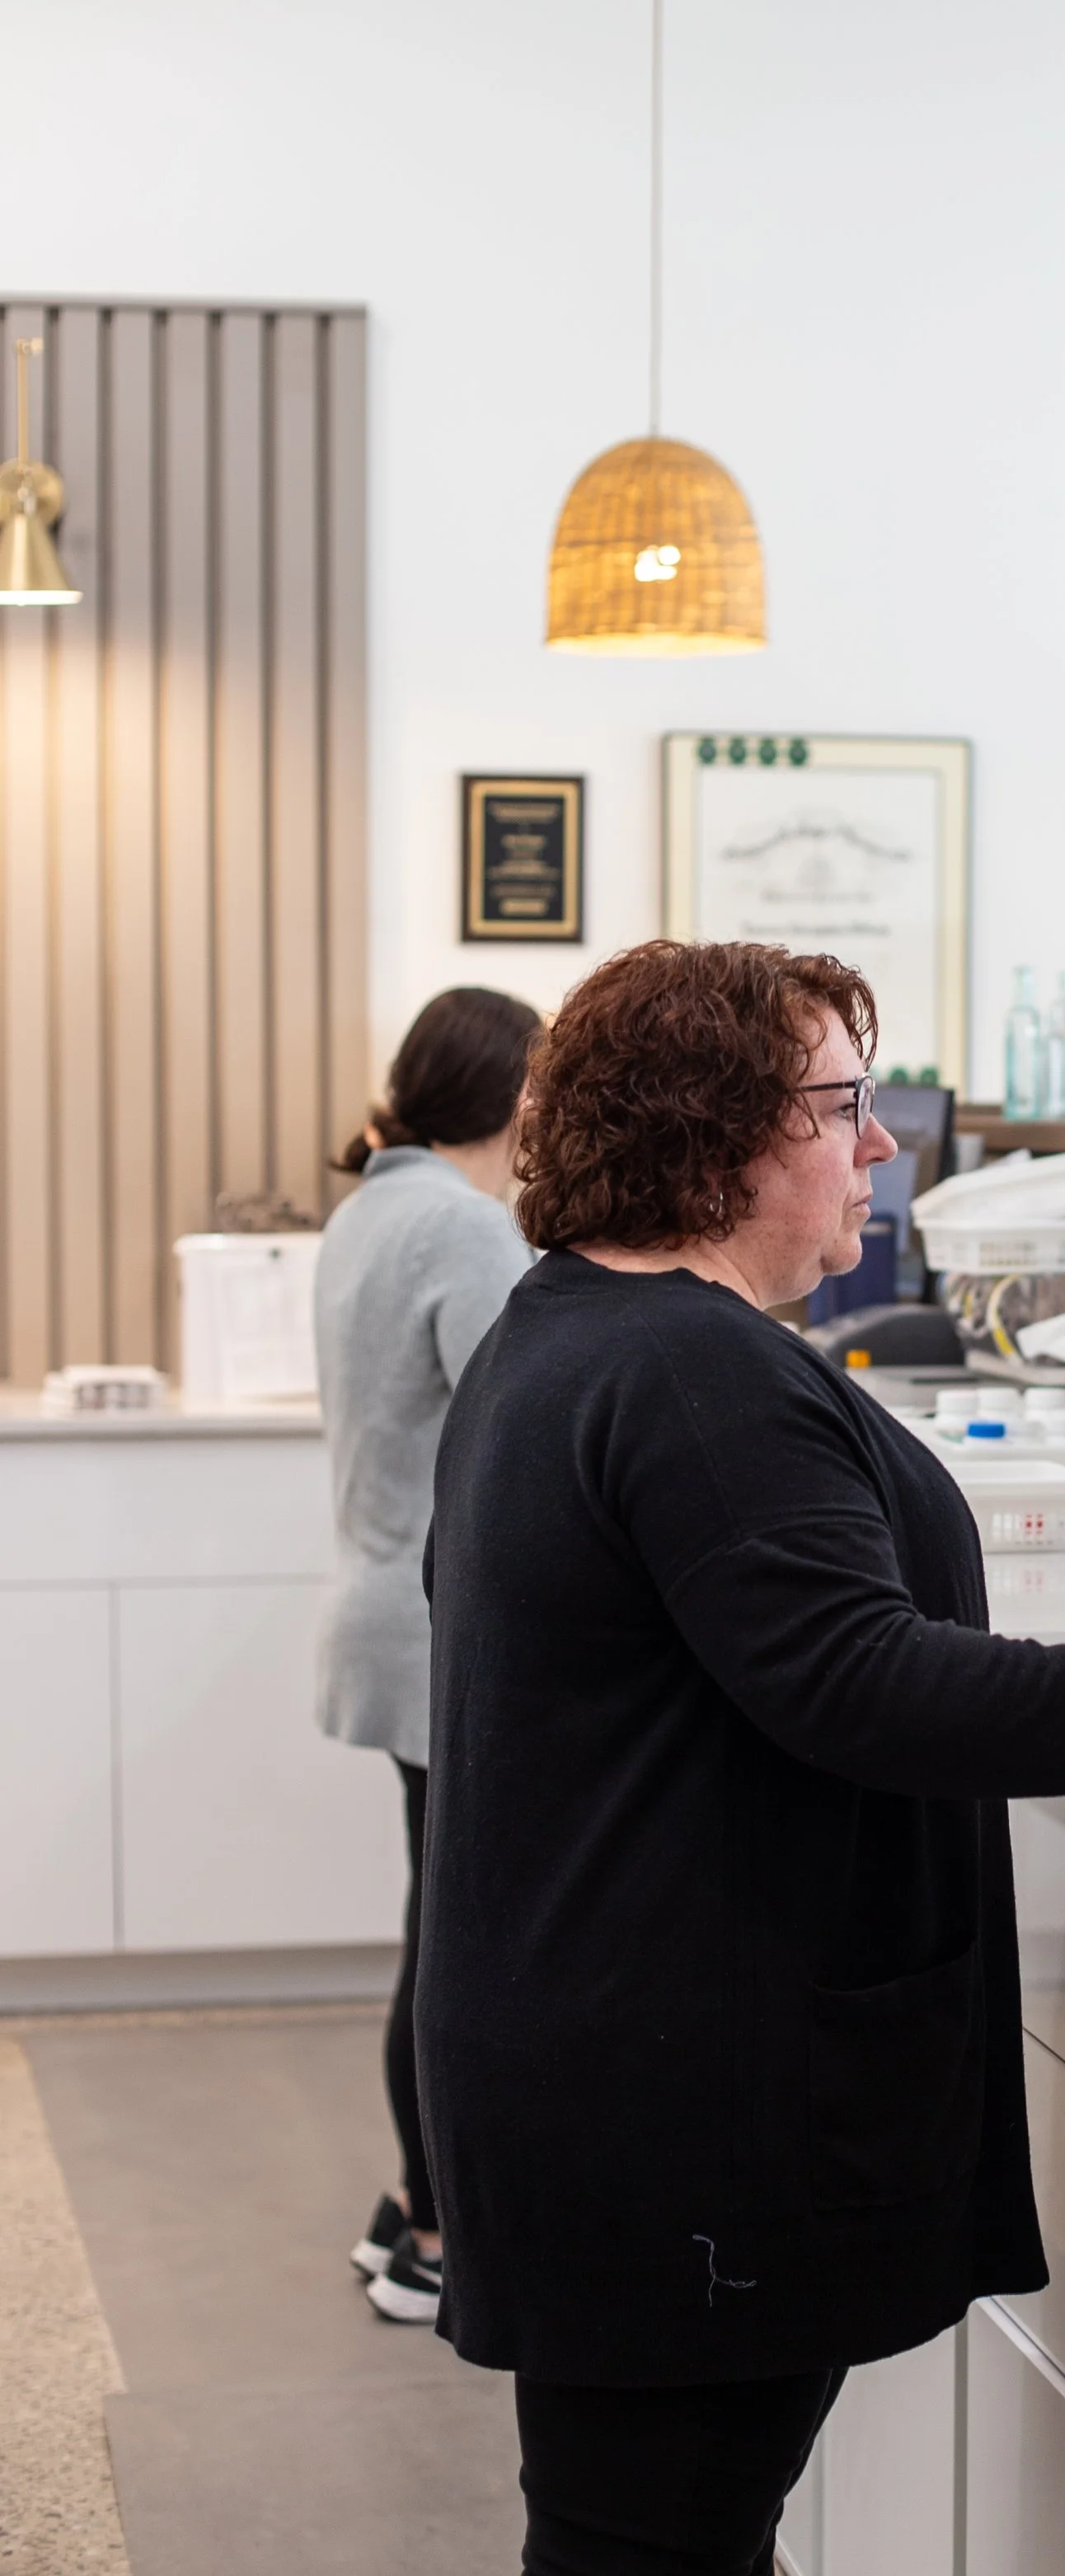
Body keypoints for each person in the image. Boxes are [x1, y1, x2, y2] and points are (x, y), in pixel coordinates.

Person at [415, 938, 1065, 2576]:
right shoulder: (689, 1372)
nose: (882, 1154)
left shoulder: (587, 1331)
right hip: (679, 2088)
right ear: (716, 1139)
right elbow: (867, 1685)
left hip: (615, 2046)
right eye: (844, 1109)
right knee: (630, 2569)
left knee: (680, 2554)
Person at [314, 984, 539, 2325]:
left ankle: (411, 2201)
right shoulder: (460, 1224)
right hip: (434, 1625)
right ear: (521, 1097)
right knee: (456, 1938)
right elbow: (527, 1413)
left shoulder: (369, 1209)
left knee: (432, 1920)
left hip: (379, 1607)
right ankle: (443, 2229)